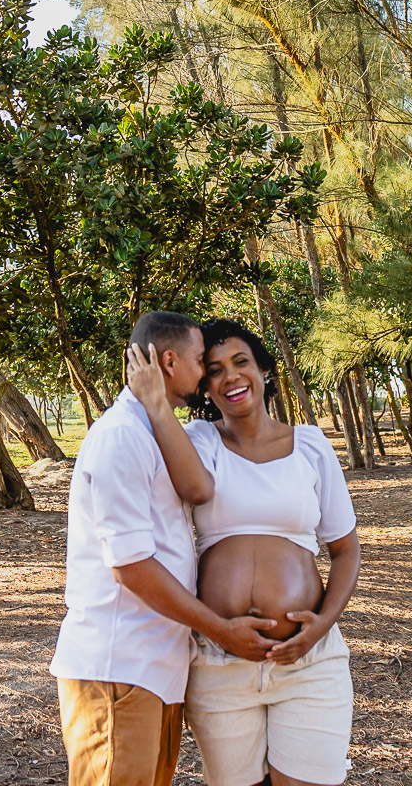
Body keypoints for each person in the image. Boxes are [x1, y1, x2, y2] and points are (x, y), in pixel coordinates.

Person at [127, 317, 360, 786]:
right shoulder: (197, 441)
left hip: (307, 662)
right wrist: (155, 399)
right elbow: (192, 490)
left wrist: (323, 625)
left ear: (264, 371)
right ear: (203, 387)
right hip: (220, 662)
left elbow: (346, 550)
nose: (230, 377)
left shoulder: (311, 447)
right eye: (213, 370)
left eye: (240, 362)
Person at [50, 310, 278, 786]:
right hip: (119, 666)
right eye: (202, 362)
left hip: (154, 669)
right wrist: (220, 629)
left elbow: (201, 490)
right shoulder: (121, 437)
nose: (206, 375)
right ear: (170, 361)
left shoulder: (153, 430)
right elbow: (130, 567)